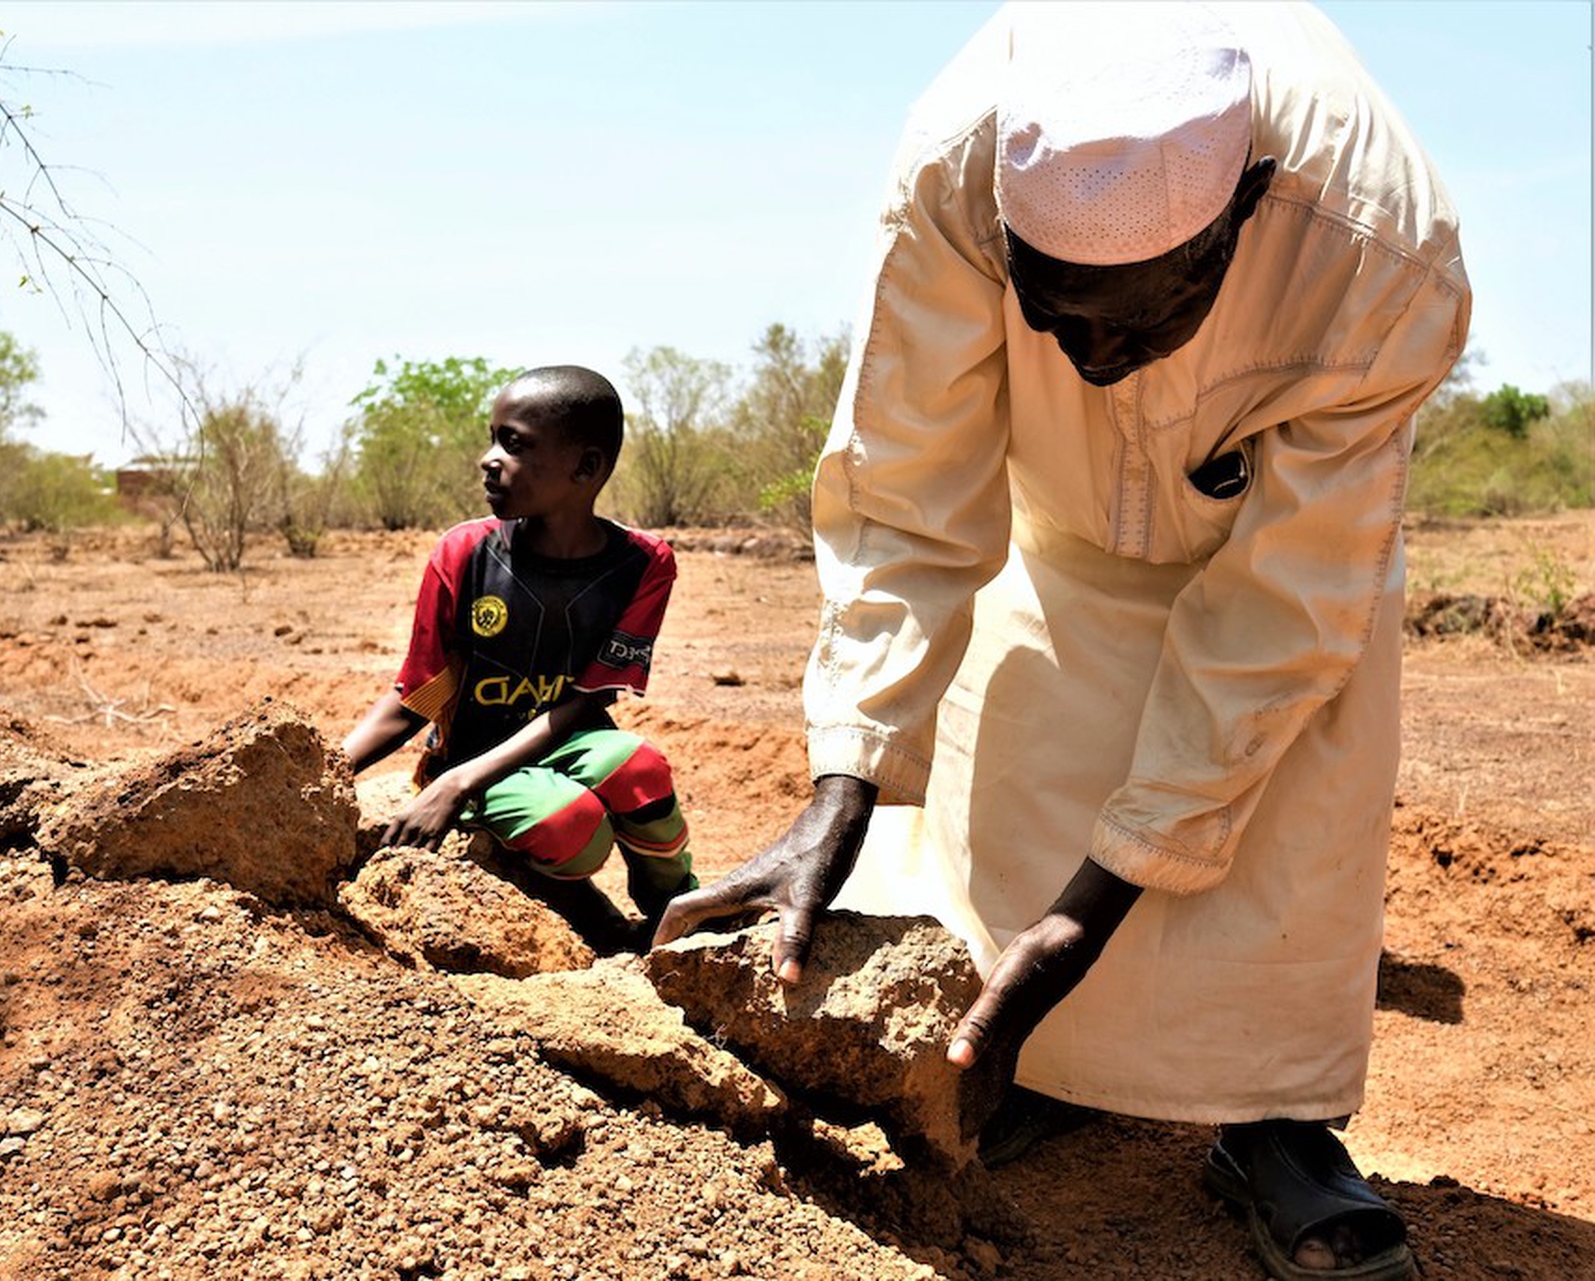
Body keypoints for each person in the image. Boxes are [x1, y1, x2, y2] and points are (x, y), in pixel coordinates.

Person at [655, 5, 1468, 1278]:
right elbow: (902, 493)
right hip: (1055, 521)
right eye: (1058, 315)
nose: (1096, 363)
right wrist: (845, 778)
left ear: (1241, 213)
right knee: (1021, 767)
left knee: (1293, 808)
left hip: (1270, 541)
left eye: (1142, 320)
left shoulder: (1379, 248)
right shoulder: (953, 173)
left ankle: (1278, 1127)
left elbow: (1280, 612)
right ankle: (1036, 1061)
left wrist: (1091, 914)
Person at [344, 365, 698, 944]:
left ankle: (674, 916)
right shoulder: (464, 554)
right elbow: (418, 697)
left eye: (513, 444)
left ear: (585, 468)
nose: (488, 458)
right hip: (471, 755)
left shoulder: (642, 564)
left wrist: (459, 786)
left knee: (640, 767)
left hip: (569, 738)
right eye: (491, 438)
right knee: (570, 824)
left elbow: (588, 702)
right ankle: (589, 915)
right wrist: (328, 775)